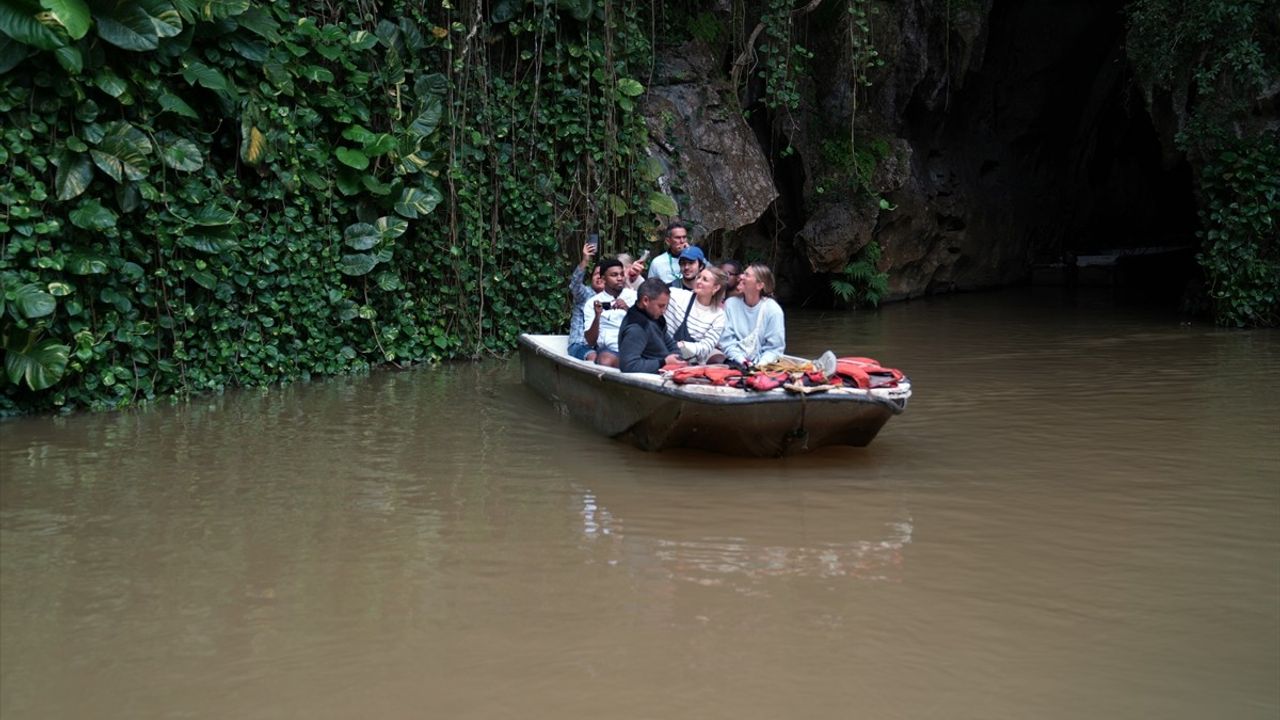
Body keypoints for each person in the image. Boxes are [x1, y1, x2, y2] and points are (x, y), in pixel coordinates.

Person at [716, 263, 785, 368]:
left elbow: (774, 349)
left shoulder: (773, 310)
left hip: (763, 365)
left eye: (747, 275)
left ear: (759, 285)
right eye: (743, 273)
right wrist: (742, 361)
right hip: (735, 360)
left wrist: (759, 366)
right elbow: (727, 342)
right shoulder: (730, 304)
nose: (741, 277)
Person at [618, 278, 686, 373]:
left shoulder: (654, 317)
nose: (664, 311)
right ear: (645, 301)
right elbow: (628, 365)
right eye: (661, 306)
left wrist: (676, 359)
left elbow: (671, 344)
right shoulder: (636, 328)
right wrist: (664, 362)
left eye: (666, 306)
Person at [665, 265, 728, 365]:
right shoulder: (676, 295)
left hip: (692, 364)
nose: (699, 281)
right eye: (698, 277)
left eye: (705, 280)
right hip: (664, 353)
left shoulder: (718, 315)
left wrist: (683, 345)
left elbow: (706, 347)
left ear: (716, 287)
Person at [583, 258, 636, 368]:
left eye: (621, 274)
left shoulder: (634, 296)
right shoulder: (592, 303)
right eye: (614, 275)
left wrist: (627, 309)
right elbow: (590, 341)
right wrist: (597, 316)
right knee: (605, 360)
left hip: (634, 348)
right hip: (610, 351)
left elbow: (646, 325)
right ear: (603, 279)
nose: (620, 278)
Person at [566, 242, 599, 361]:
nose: (599, 277)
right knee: (594, 357)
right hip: (580, 345)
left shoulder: (612, 297)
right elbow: (574, 284)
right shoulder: (585, 293)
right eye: (596, 274)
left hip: (600, 346)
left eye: (602, 275)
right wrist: (585, 260)